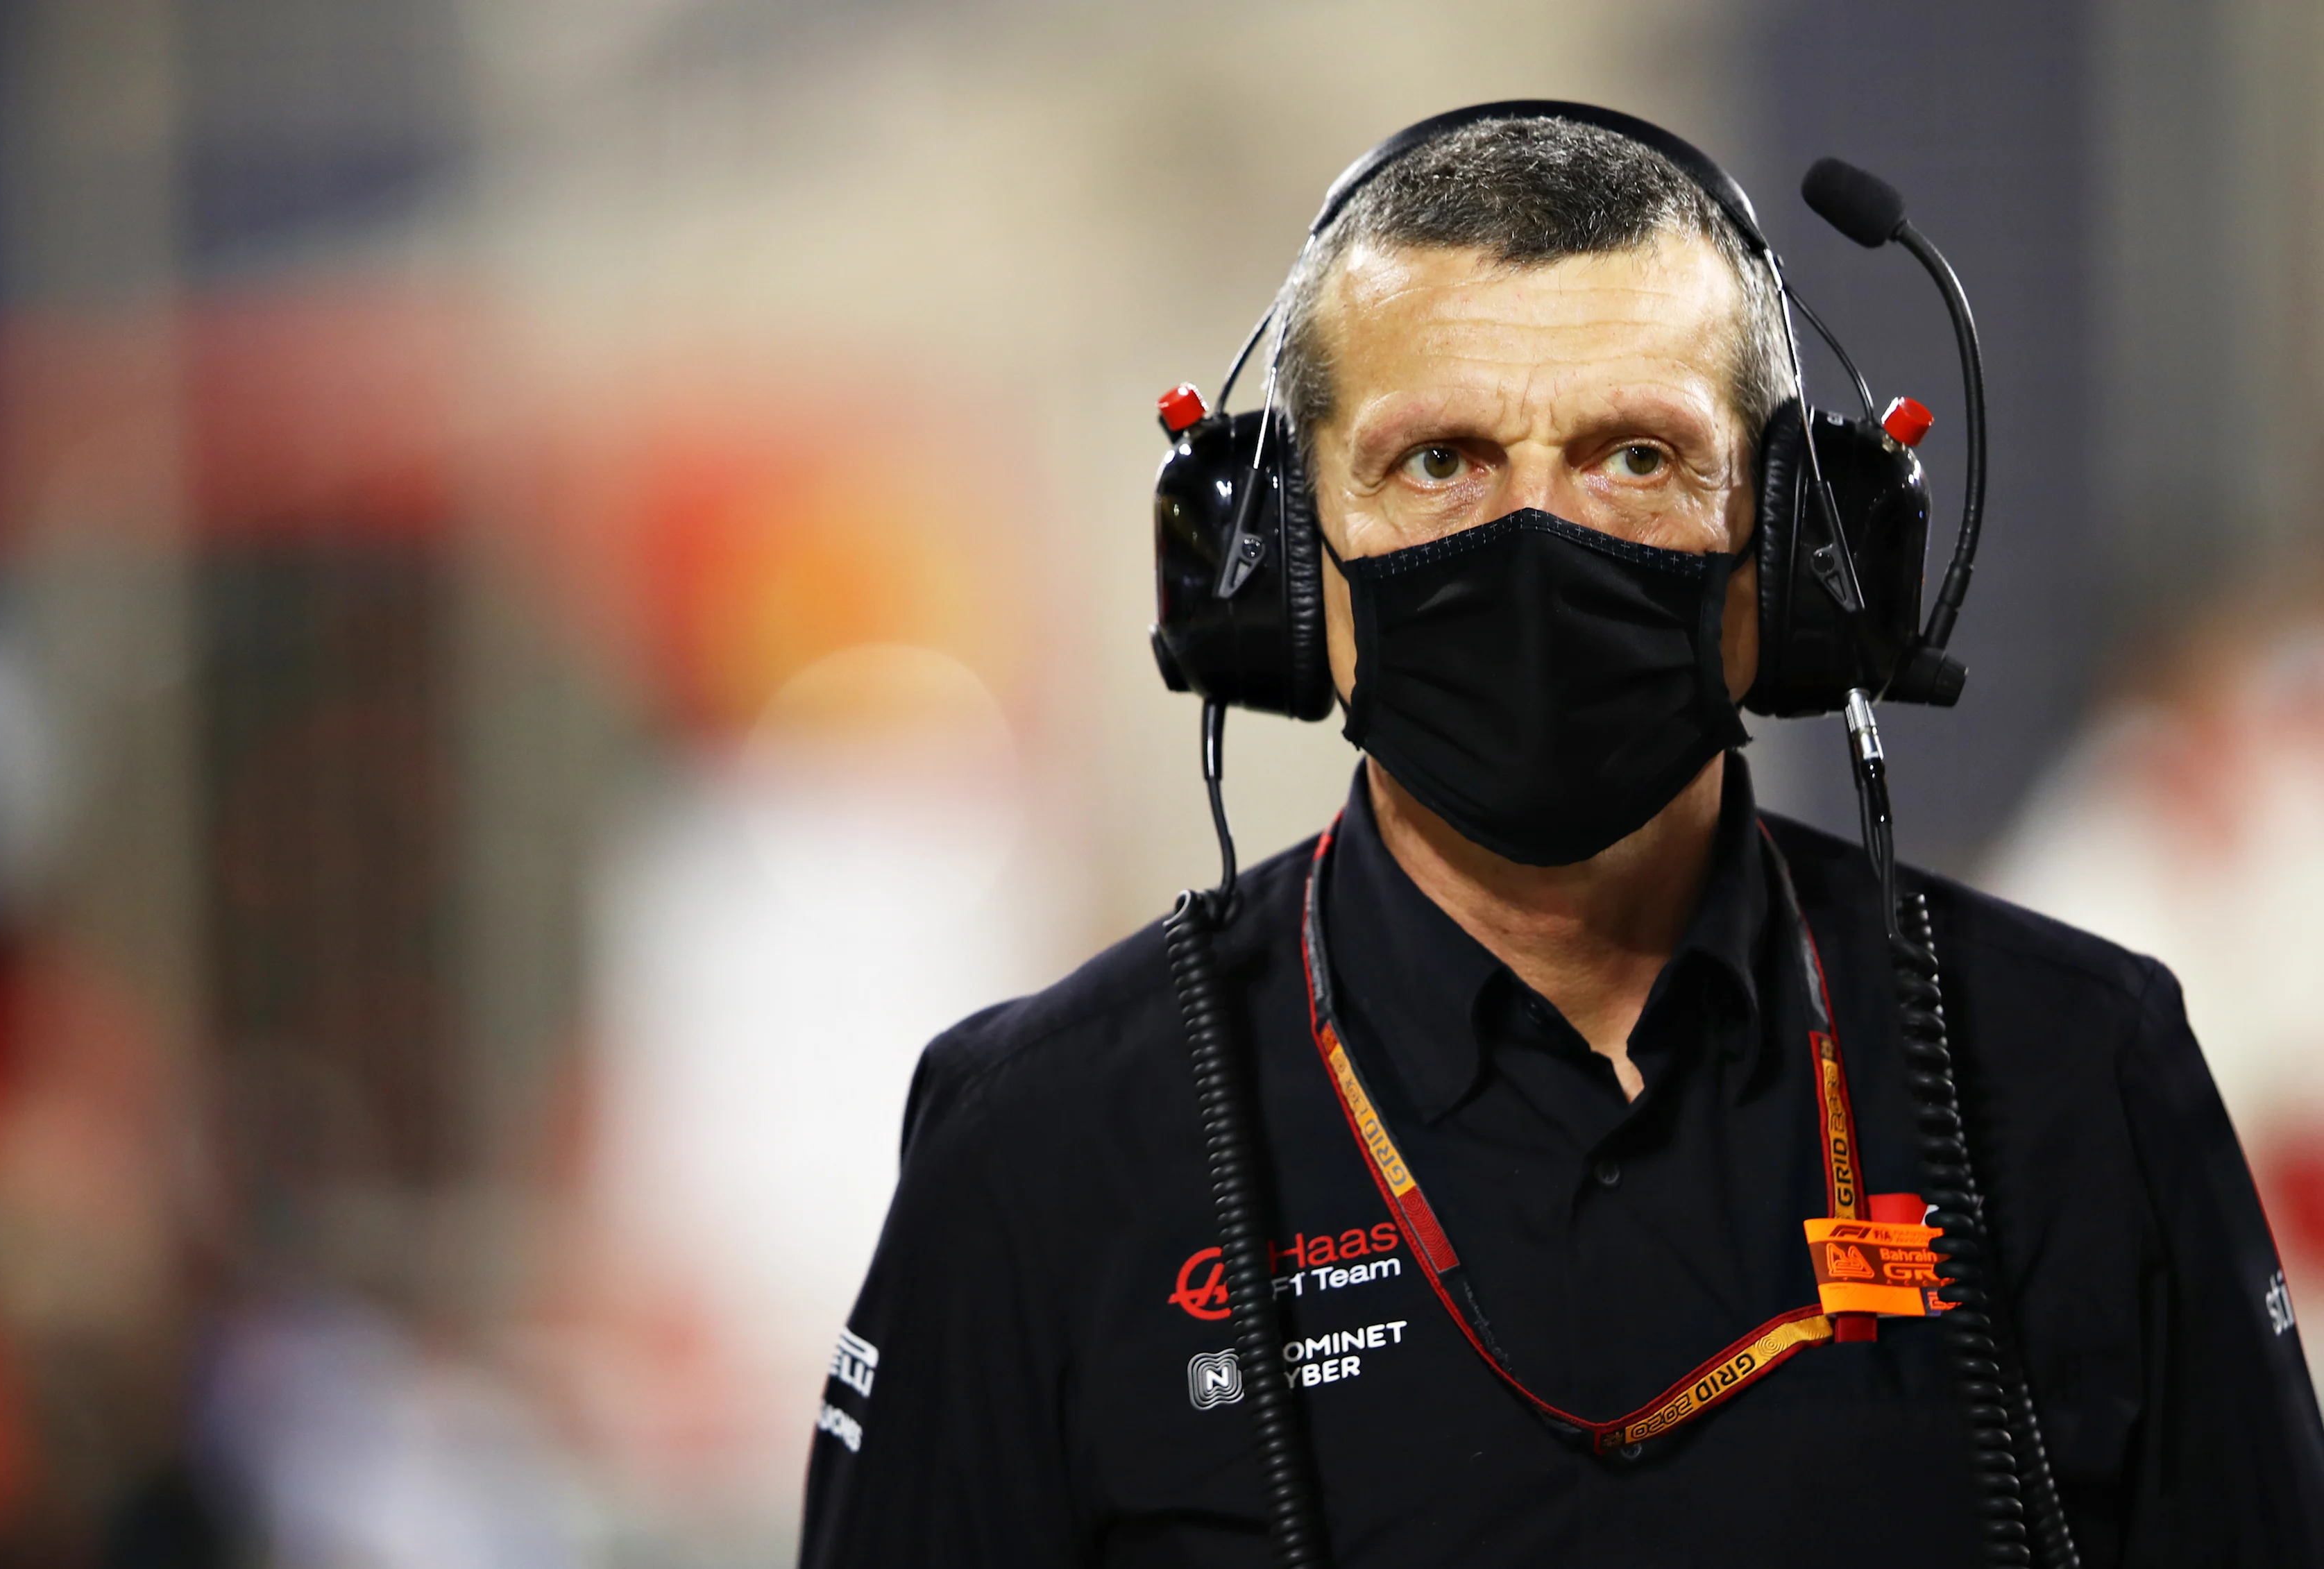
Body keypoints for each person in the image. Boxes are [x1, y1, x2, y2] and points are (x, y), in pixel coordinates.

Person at [797, 113, 2324, 1567]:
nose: (1537, 537)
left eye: (1636, 458)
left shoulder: (2074, 1067)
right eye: (1437, 462)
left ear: (1798, 557)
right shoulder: (1041, 1144)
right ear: (1277, 567)